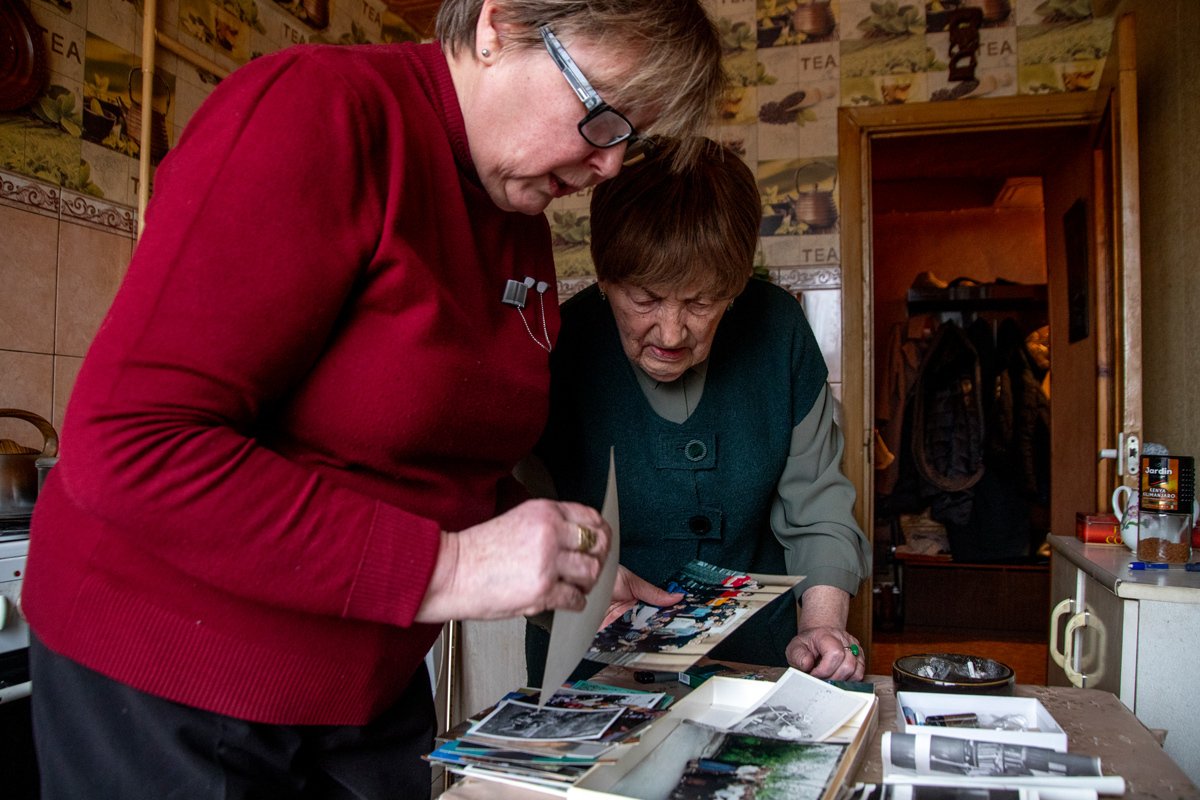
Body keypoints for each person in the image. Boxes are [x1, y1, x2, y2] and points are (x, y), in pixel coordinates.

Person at [20, 2, 725, 798]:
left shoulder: (514, 203)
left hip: (360, 681)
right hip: (177, 679)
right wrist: (455, 566)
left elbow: (414, 455)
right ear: (497, 27)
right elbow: (131, 445)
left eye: (634, 137)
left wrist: (555, 565)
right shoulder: (316, 112)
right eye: (603, 117)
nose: (612, 164)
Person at [526, 138, 870, 687]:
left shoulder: (779, 331)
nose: (670, 333)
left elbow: (817, 502)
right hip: (591, 657)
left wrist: (822, 625)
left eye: (700, 302)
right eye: (644, 299)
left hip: (757, 655)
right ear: (605, 277)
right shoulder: (553, 347)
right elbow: (524, 515)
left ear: (734, 289)